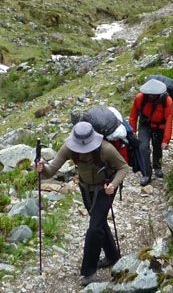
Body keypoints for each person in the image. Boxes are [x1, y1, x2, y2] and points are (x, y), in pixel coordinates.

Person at [34, 122, 131, 286]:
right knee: (98, 223)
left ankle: (88, 272)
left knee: (94, 227)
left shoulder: (106, 148)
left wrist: (113, 185)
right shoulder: (68, 148)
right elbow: (50, 172)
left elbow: (123, 167)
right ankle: (112, 257)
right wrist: (42, 168)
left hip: (105, 188)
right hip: (85, 188)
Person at [129, 79, 173, 181]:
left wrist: (166, 140)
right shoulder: (140, 98)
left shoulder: (167, 100)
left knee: (158, 147)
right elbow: (133, 116)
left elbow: (169, 120)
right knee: (143, 147)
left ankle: (157, 167)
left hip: (160, 127)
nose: (151, 96)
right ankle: (146, 174)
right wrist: (132, 132)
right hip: (145, 125)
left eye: (154, 94)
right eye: (149, 94)